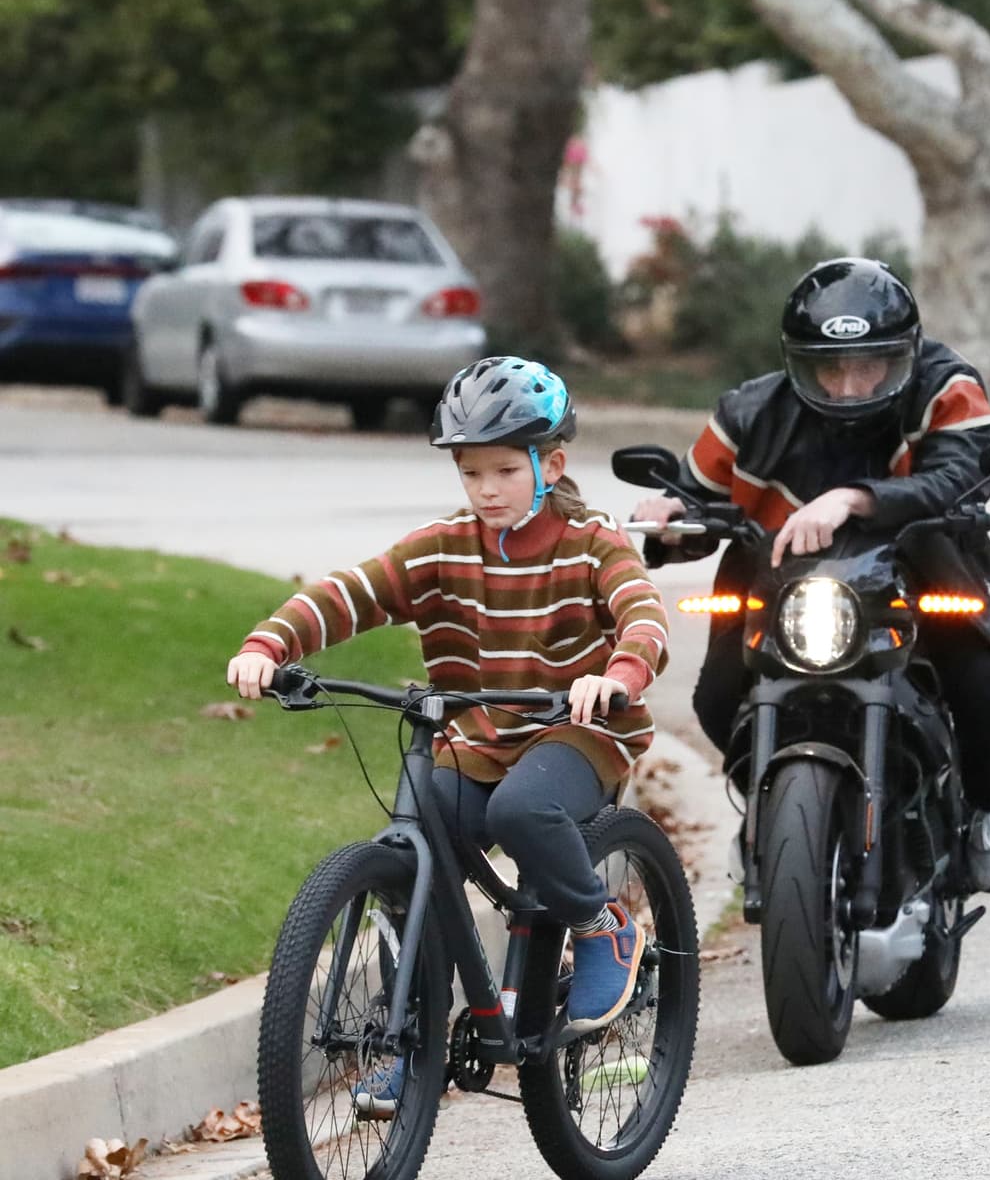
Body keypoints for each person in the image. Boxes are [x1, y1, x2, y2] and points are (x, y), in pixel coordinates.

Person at [228, 355, 670, 1116]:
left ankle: (603, 928)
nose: (488, 489)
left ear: (551, 463)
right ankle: (410, 1033)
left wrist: (620, 674)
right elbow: (351, 592)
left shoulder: (592, 542)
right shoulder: (442, 547)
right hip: (475, 733)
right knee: (416, 849)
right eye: (472, 473)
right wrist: (271, 643)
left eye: (504, 469)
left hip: (579, 728)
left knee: (521, 812)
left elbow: (642, 612)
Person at [632, 256, 990, 892]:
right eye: (829, 368)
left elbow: (960, 475)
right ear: (799, 361)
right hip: (776, 587)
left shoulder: (948, 387)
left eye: (868, 364)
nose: (848, 386)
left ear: (905, 352)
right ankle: (772, 809)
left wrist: (853, 498)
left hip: (924, 570)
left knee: (986, 686)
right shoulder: (748, 412)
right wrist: (669, 516)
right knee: (715, 699)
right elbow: (696, 496)